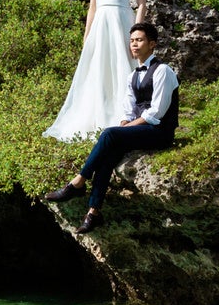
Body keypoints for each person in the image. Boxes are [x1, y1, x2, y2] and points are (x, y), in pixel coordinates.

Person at [43, 21, 177, 231]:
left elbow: (156, 112)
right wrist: (125, 124)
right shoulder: (133, 75)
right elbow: (128, 110)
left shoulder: (163, 71)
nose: (134, 44)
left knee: (109, 134)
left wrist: (124, 129)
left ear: (152, 44)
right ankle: (93, 212)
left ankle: (78, 182)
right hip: (140, 129)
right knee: (108, 157)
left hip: (160, 132)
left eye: (139, 40)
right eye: (132, 41)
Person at [43, 0, 146, 143]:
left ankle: (127, 117)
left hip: (122, 21)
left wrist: (137, 33)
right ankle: (99, 115)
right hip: (101, 23)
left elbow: (142, 4)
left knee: (125, 66)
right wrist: (87, 35)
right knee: (99, 68)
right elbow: (93, 6)